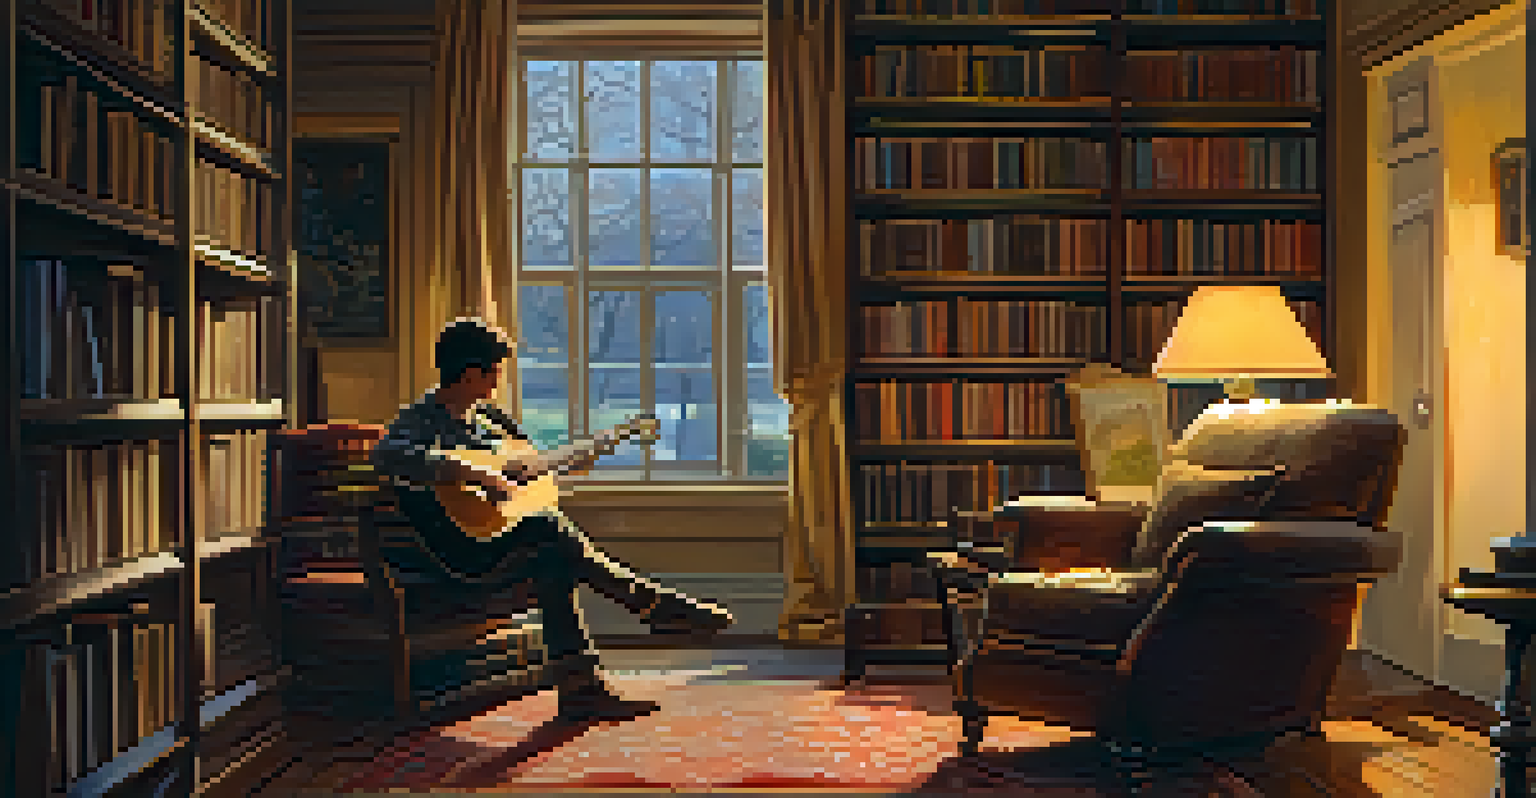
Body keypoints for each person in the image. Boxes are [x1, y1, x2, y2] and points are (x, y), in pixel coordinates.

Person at [372, 318, 733, 723]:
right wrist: (473, 472)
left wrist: (575, 460)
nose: (496, 382)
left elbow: (526, 472)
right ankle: (649, 603)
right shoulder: (420, 420)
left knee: (553, 557)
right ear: (471, 372)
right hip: (455, 554)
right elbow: (388, 456)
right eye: (494, 372)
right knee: (547, 526)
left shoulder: (492, 421)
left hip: (496, 539)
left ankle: (584, 691)